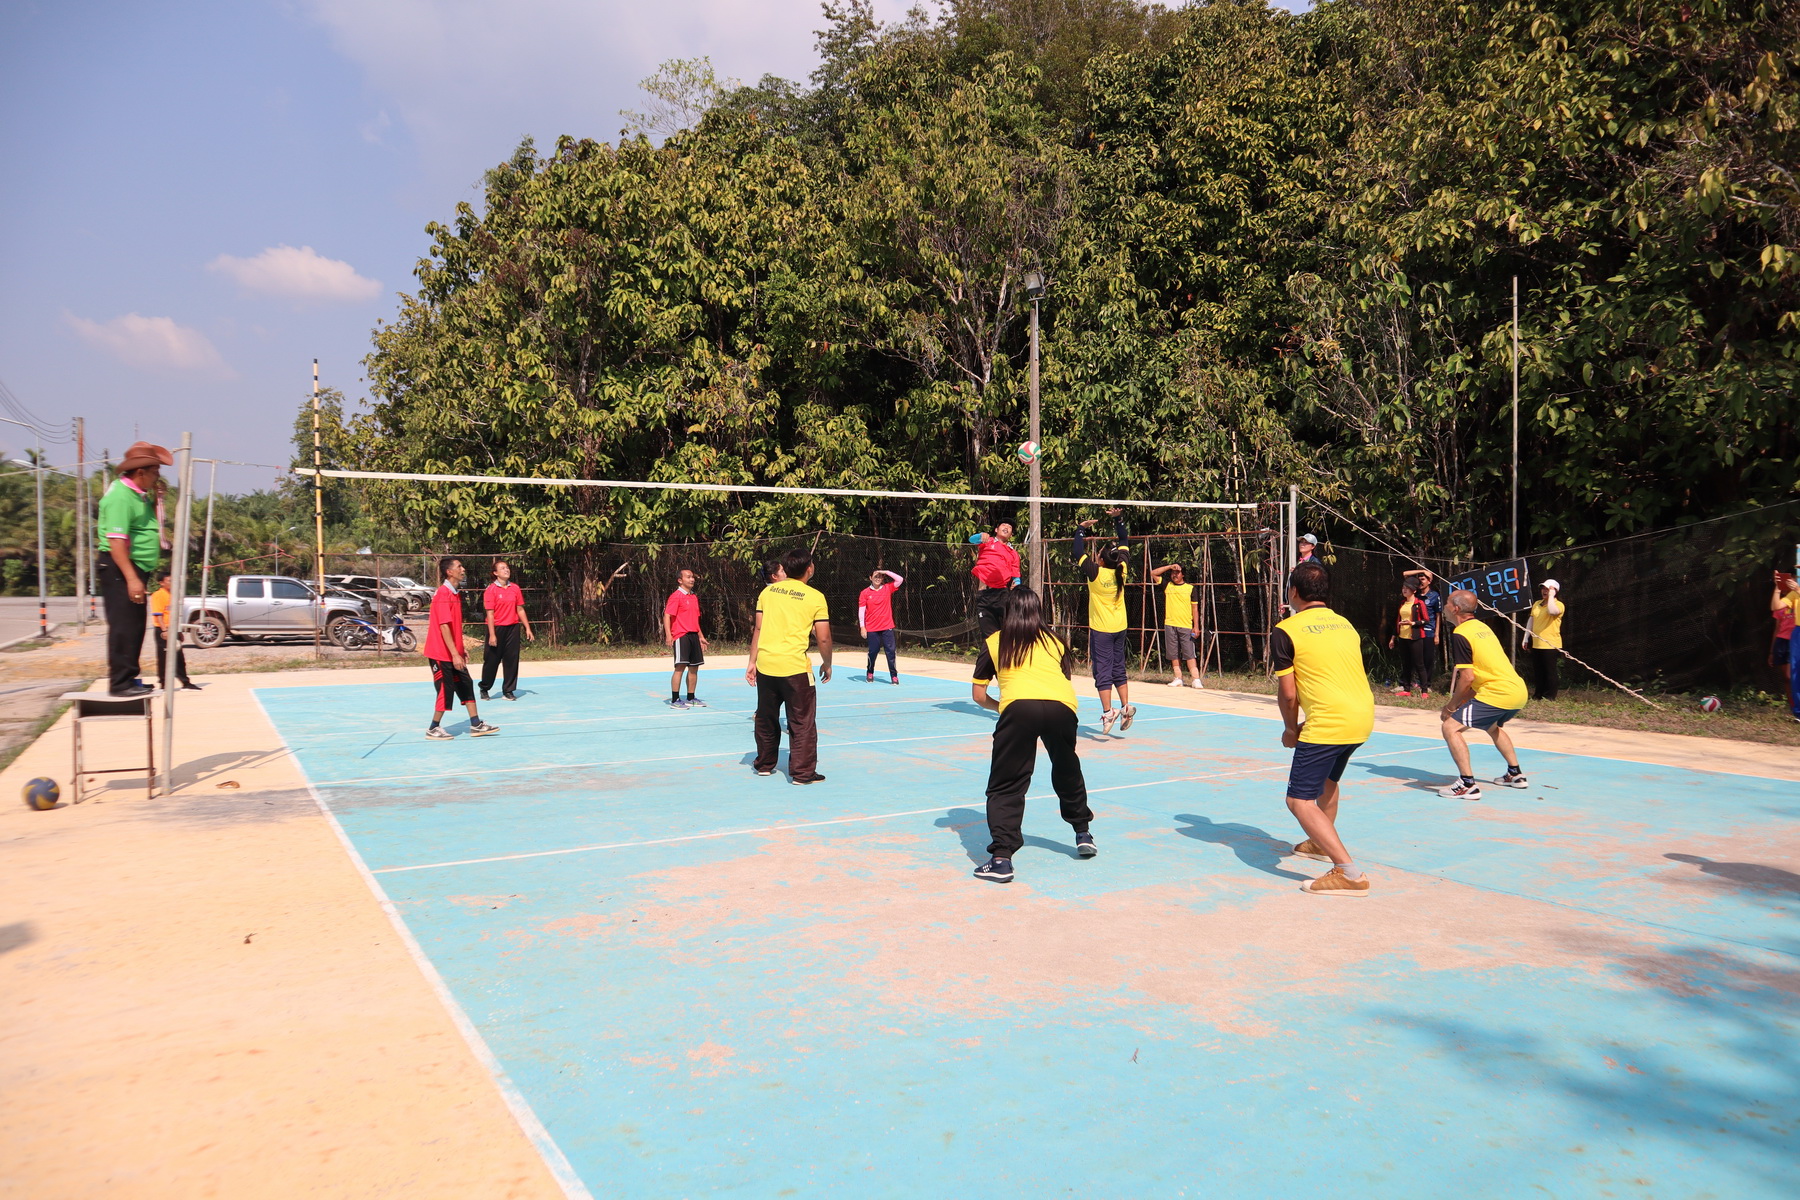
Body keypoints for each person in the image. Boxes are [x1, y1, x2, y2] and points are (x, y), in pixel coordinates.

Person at [969, 587, 1095, 883]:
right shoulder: (1056, 642)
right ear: (1039, 610)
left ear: (1007, 611)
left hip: (1019, 709)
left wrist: (1005, 706)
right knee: (1067, 768)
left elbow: (978, 695)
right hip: (1062, 707)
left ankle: (1002, 859)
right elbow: (1061, 680)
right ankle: (1083, 832)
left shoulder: (996, 641)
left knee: (1007, 783)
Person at [1272, 560, 1375, 896]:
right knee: (1328, 783)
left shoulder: (1287, 629)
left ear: (1294, 592)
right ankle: (1319, 842)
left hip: (1328, 723)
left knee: (1299, 801)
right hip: (1361, 716)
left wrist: (1290, 730)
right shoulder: (1345, 624)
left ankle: (1349, 873)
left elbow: (1289, 694)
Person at [746, 547, 832, 784]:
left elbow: (758, 629)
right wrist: (827, 663)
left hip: (766, 666)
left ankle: (764, 764)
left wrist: (752, 662)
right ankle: (802, 773)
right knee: (802, 722)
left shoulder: (768, 592)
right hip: (795, 669)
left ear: (785, 568)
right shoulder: (815, 597)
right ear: (809, 569)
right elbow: (824, 638)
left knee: (766, 717)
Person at [95, 441, 173, 696]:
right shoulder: (120, 496)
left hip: (136, 568)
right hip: (120, 568)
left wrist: (157, 499)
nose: (157, 477)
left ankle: (130, 677)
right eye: (155, 472)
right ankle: (120, 684)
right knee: (123, 626)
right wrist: (131, 579)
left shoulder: (138, 495)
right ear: (140, 472)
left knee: (136, 626)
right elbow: (116, 542)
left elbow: (145, 525)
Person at [1436, 590, 1530, 798]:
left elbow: (1467, 677)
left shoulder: (1461, 633)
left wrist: (1451, 707)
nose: (1444, 607)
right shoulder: (1482, 627)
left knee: (1450, 727)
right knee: (1491, 726)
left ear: (1455, 609)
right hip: (1517, 691)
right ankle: (1515, 774)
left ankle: (1467, 784)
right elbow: (1484, 674)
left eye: (1447, 603)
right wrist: (1464, 700)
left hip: (1497, 693)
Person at [423, 557, 500, 740]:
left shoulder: (455, 594)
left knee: (466, 684)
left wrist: (460, 648)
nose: (463, 569)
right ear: (449, 572)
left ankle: (476, 724)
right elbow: (443, 626)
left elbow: (453, 626)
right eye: (459, 566)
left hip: (453, 651)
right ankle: (433, 728)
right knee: (445, 689)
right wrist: (454, 654)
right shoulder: (443, 594)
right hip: (440, 653)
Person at [1075, 509, 1135, 732]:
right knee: (1118, 667)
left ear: (1100, 559)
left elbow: (1077, 551)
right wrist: (1118, 519)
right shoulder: (1122, 569)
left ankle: (1109, 712)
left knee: (1102, 671)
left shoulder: (1095, 573)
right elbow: (1124, 541)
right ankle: (1126, 707)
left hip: (1102, 629)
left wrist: (1081, 529)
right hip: (1120, 627)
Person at [479, 559, 532, 702]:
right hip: (497, 628)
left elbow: (520, 609)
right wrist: (492, 634)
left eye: (507, 567)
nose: (506, 570)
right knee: (491, 661)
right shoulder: (491, 590)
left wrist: (527, 628)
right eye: (502, 568)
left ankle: (508, 690)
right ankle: (484, 688)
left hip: (513, 628)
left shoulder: (515, 588)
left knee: (511, 660)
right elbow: (490, 614)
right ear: (495, 573)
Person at [1148, 561, 1201, 687]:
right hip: (1170, 624)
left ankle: (1196, 679)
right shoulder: (1168, 586)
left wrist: (1196, 626)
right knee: (1173, 653)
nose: (1174, 575)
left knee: (1189, 653)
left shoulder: (1190, 588)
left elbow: (1195, 609)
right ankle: (1178, 678)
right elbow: (1153, 573)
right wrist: (1169, 566)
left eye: (1177, 572)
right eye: (1173, 572)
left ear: (1183, 574)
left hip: (1186, 625)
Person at [662, 567, 708, 709]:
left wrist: (700, 636)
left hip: (694, 636)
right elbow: (667, 616)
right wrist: (669, 635)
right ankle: (675, 700)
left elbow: (695, 619)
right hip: (681, 636)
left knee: (694, 668)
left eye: (692, 577)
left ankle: (691, 697)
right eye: (688, 577)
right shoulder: (676, 596)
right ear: (680, 580)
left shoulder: (693, 597)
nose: (692, 579)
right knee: (680, 667)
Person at [147, 572, 200, 691]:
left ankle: (185, 682)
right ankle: (164, 683)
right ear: (161, 583)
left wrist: (179, 631)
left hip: (173, 629)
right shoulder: (158, 595)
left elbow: (175, 614)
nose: (172, 583)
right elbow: (158, 615)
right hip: (163, 630)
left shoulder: (173, 595)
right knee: (163, 658)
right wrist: (164, 630)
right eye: (169, 580)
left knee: (179, 657)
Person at [968, 521, 1022, 637]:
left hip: (1002, 595)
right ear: (996, 530)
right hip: (984, 594)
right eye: (1003, 525)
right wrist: (980, 536)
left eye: (1009, 527)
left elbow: (1016, 573)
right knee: (989, 636)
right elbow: (972, 540)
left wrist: (1017, 584)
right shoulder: (988, 541)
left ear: (1011, 534)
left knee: (1008, 632)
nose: (1006, 527)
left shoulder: (1013, 553)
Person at [858, 567, 905, 684]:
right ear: (870, 578)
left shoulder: (887, 588)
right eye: (875, 576)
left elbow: (900, 579)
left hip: (887, 626)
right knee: (873, 651)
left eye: (880, 577)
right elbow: (861, 611)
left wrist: (886, 572)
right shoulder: (865, 593)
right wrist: (862, 626)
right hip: (872, 628)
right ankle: (870, 672)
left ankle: (894, 676)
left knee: (891, 651)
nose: (878, 578)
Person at [1385, 580, 1429, 698]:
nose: (1404, 590)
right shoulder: (1402, 603)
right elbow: (1397, 621)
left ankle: (1424, 691)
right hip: (1403, 637)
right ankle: (1406, 689)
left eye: (1407, 588)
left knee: (1419, 664)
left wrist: (1412, 623)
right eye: (1403, 588)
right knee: (1406, 664)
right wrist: (1393, 638)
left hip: (1415, 637)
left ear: (1414, 591)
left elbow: (1426, 620)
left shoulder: (1419, 603)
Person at [1403, 568, 1446, 686]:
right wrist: (1421, 571)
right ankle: (1409, 682)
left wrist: (1437, 634)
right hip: (1415, 629)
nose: (1420, 582)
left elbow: (1438, 615)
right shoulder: (1415, 594)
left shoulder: (1434, 595)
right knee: (1413, 657)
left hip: (1428, 630)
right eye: (1419, 579)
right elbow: (1405, 574)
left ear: (1429, 581)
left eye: (1423, 579)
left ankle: (1426, 684)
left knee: (1427, 658)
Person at [1526, 579, 1565, 700]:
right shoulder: (1537, 604)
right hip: (1536, 643)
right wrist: (1526, 637)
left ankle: (1550, 696)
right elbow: (1531, 620)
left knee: (1550, 671)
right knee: (1538, 671)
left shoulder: (1558, 605)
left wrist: (1552, 597)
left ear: (1555, 591)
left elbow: (1552, 611)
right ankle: (1538, 694)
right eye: (1543, 588)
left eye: (1548, 589)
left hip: (1550, 644)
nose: (1544, 591)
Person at [1774, 572, 1800, 722]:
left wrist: (1798, 589)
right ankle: (1798, 711)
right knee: (1795, 673)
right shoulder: (1794, 594)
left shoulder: (1797, 591)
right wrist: (1777, 588)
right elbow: (1776, 606)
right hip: (1797, 632)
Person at [1769, 571, 1795, 694]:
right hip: (1782, 641)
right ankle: (1792, 704)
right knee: (1786, 678)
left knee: (1791, 676)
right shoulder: (1784, 602)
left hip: (1795, 640)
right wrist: (1771, 652)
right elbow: (1777, 628)